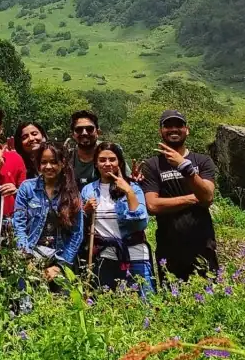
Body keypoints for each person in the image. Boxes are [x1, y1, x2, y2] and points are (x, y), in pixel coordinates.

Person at [140, 109, 217, 282]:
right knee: (172, 296)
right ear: (161, 131)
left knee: (209, 294)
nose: (173, 129)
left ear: (187, 130)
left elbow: (207, 198)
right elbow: (152, 206)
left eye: (179, 125)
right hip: (169, 248)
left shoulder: (202, 161)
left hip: (203, 245)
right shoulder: (152, 165)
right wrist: (192, 198)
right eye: (168, 126)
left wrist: (184, 167)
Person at [80, 143, 153, 296]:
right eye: (102, 160)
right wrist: (85, 211)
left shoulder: (134, 187)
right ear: (96, 163)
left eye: (112, 159)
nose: (107, 164)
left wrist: (128, 191)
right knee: (106, 303)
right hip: (104, 257)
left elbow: (141, 221)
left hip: (135, 256)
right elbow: (80, 224)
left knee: (143, 303)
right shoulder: (88, 190)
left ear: (119, 162)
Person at [13, 143, 83, 282]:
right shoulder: (27, 188)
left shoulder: (72, 193)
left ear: (63, 163)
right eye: (44, 162)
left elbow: (77, 234)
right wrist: (26, 258)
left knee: (63, 295)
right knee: (26, 295)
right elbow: (18, 224)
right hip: (30, 256)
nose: (48, 166)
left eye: (54, 162)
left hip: (60, 258)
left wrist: (59, 266)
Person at [70, 110, 101, 188]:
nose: (84, 133)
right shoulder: (66, 157)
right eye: (79, 129)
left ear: (98, 132)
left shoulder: (110, 154)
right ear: (73, 134)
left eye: (89, 129)